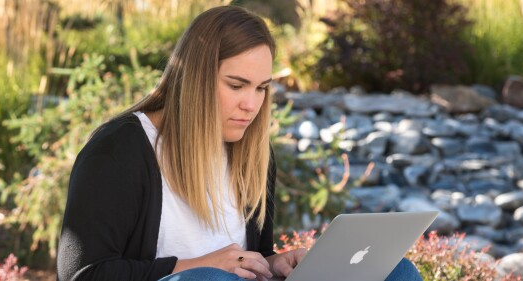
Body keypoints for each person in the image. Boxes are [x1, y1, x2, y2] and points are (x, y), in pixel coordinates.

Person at [57, 5, 423, 281]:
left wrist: (275, 262)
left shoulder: (253, 152)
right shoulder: (119, 150)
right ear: (195, 78)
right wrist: (195, 266)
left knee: (396, 271)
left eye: (261, 87)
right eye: (236, 85)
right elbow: (81, 273)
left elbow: (251, 256)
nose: (251, 104)